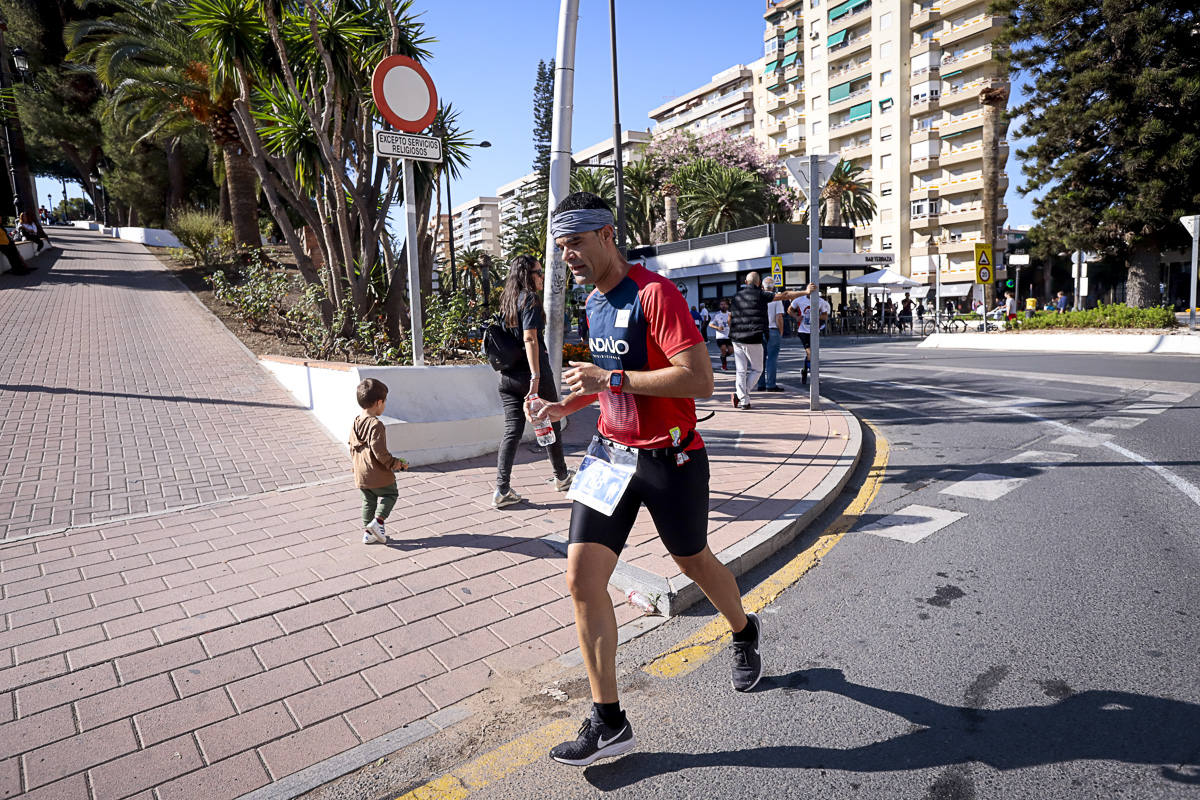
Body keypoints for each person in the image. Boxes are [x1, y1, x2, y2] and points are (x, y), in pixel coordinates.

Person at [535, 192, 764, 766]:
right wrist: (571, 406)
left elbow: (699, 380)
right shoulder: (594, 302)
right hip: (610, 457)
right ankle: (609, 720)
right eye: (562, 249)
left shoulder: (654, 294)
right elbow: (607, 381)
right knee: (582, 579)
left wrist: (608, 377)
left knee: (693, 561)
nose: (570, 258)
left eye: (577, 244)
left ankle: (742, 630)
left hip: (671, 458)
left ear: (607, 235)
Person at [493, 254, 574, 508]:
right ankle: (561, 477)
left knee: (512, 430)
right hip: (530, 375)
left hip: (507, 377)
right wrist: (536, 376)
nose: (541, 276)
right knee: (552, 418)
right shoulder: (529, 298)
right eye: (538, 273)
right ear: (527, 276)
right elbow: (530, 339)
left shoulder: (507, 300)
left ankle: (502, 489)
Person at [729, 273, 809, 409]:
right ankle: (741, 396)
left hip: (736, 337)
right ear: (759, 283)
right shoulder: (761, 294)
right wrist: (805, 292)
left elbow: (730, 318)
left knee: (741, 370)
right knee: (758, 369)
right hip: (753, 337)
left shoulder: (737, 296)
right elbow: (784, 295)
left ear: (746, 281)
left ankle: (743, 399)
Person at [347, 379, 409, 545]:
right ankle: (378, 523)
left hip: (361, 473)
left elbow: (351, 445)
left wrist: (355, 466)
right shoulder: (376, 425)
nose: (385, 405)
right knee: (390, 494)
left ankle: (368, 533)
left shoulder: (356, 421)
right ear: (379, 402)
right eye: (385, 401)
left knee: (368, 501)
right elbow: (380, 453)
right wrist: (396, 463)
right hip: (376, 473)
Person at [788, 285, 831, 385]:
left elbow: (825, 316)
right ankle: (814, 377)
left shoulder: (820, 301)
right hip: (803, 330)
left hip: (815, 331)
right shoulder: (799, 300)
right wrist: (796, 317)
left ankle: (804, 371)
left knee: (811, 355)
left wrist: (816, 315)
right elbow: (789, 310)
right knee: (810, 353)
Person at [756, 278, 786, 393]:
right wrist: (781, 331)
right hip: (772, 330)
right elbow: (779, 316)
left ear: (762, 287)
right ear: (773, 287)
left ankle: (760, 384)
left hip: (759, 330)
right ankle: (771, 384)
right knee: (772, 359)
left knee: (760, 359)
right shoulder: (775, 298)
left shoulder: (758, 298)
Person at [709, 299, 733, 371]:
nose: (723, 306)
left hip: (729, 335)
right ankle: (724, 365)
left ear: (727, 306)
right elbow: (710, 324)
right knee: (723, 349)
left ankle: (723, 356)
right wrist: (717, 327)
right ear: (720, 306)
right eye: (721, 304)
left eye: (724, 304)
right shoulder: (717, 314)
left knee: (731, 351)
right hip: (720, 336)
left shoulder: (730, 314)